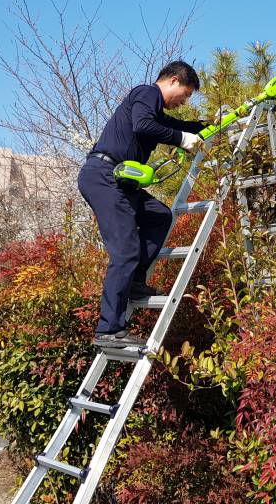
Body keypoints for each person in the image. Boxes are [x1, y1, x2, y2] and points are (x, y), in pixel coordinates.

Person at [78, 60, 206, 348]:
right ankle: (108, 329)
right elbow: (145, 125)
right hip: (104, 177)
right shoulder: (147, 93)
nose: (183, 102)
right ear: (173, 80)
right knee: (125, 251)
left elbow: (176, 125)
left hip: (121, 182)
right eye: (185, 95)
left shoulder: (154, 109)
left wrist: (204, 128)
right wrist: (183, 138)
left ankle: (135, 282)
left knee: (159, 216)